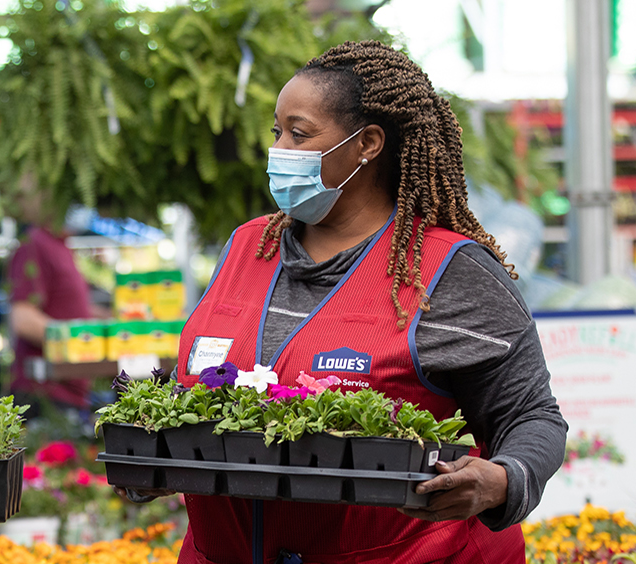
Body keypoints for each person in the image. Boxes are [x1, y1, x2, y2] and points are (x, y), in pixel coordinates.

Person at [166, 41, 567, 563]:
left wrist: (502, 482)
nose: (280, 149)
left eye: (300, 133)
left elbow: (532, 415)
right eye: (277, 132)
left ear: (367, 144)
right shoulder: (248, 247)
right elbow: (196, 394)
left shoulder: (448, 272)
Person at [7, 181, 105, 420]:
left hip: (69, 392)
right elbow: (23, 318)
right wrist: (81, 340)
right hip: (44, 393)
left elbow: (68, 309)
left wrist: (113, 323)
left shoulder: (61, 246)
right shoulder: (34, 245)